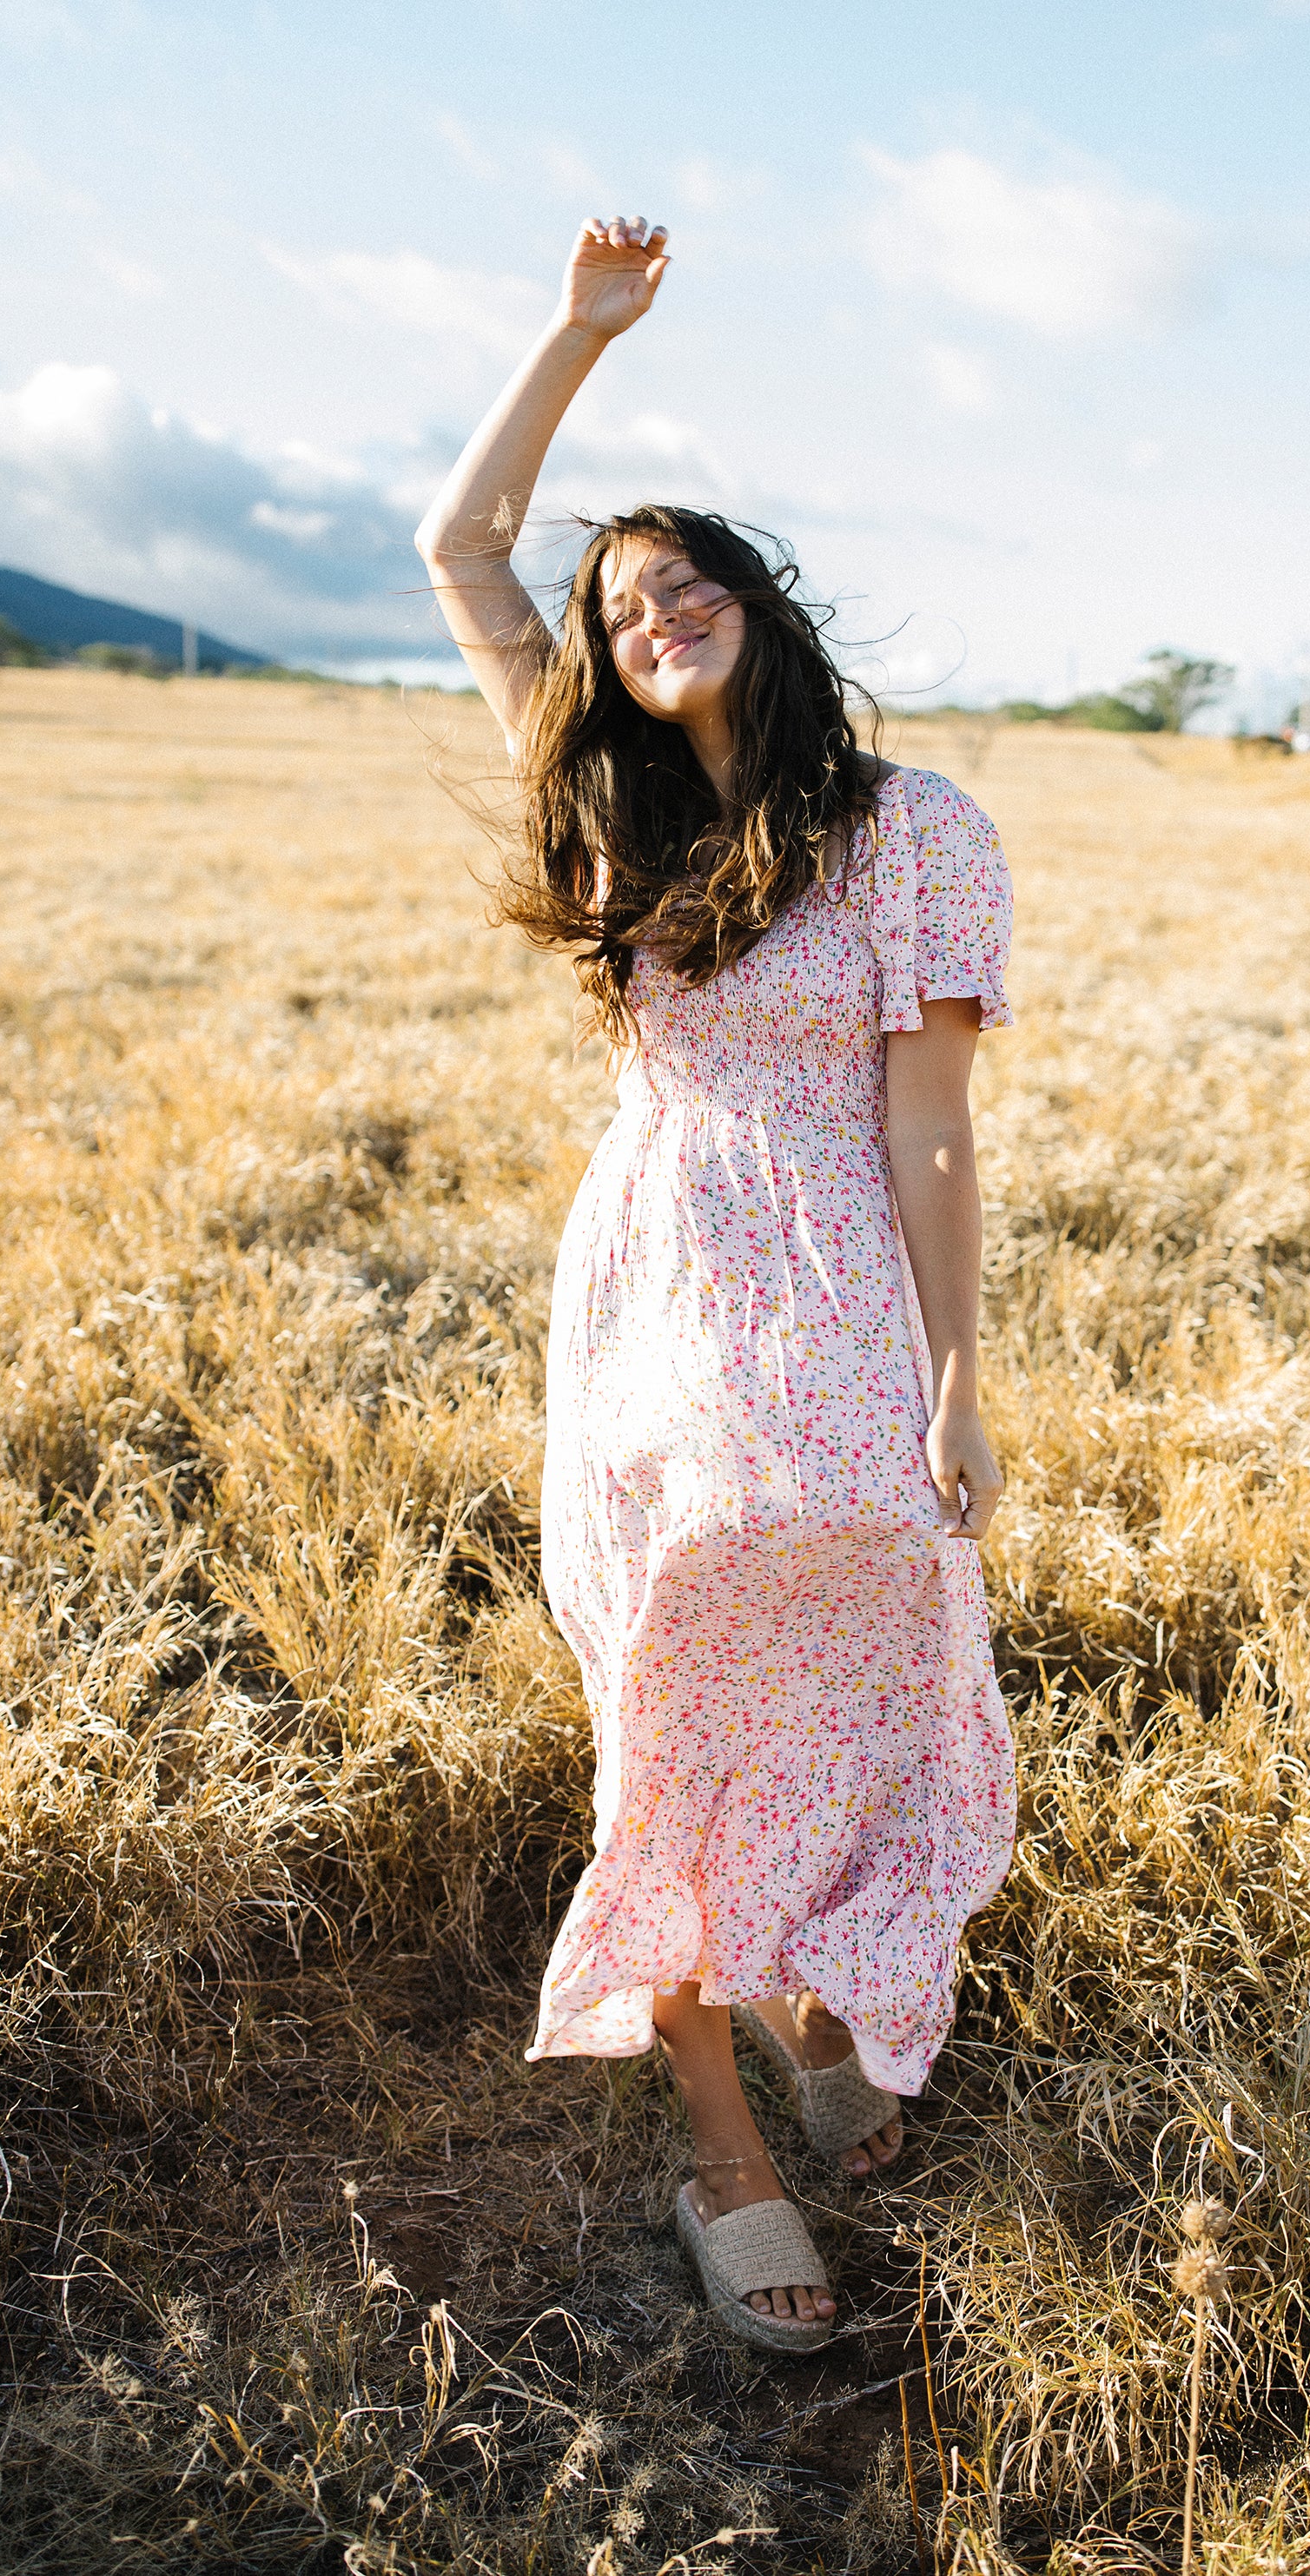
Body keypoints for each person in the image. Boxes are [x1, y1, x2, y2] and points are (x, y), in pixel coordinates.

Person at [414, 217, 1017, 2355]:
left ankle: (824, 1976)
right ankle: (720, 2140)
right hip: (659, 1274)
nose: (649, 615)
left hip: (843, 1273)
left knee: (867, 1617)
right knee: (680, 1653)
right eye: (621, 607)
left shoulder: (917, 827)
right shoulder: (607, 807)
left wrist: (958, 1378)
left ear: (755, 609)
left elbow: (931, 1127)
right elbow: (460, 549)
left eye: (685, 582)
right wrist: (569, 337)